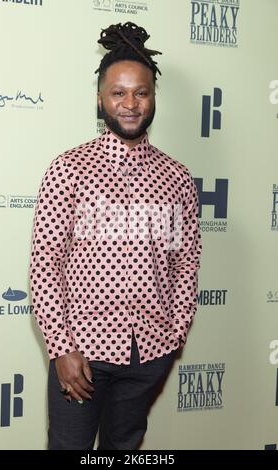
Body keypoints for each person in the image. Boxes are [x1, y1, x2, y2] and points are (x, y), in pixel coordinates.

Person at [29, 21, 202, 450]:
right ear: (101, 98)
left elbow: (187, 262)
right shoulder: (69, 168)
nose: (130, 104)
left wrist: (173, 336)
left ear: (154, 97)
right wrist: (61, 349)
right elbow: (45, 262)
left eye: (141, 93)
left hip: (148, 354)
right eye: (118, 92)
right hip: (81, 354)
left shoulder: (177, 177)